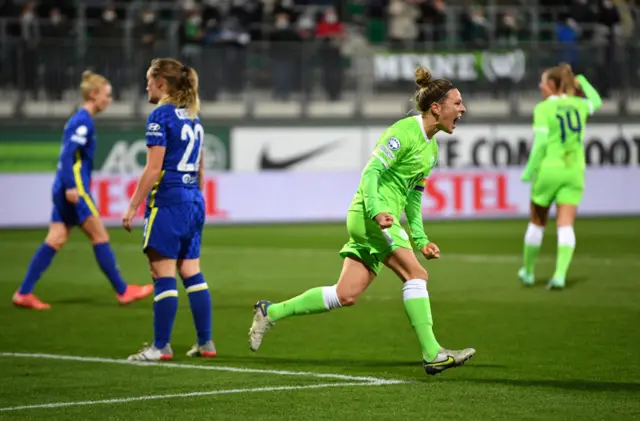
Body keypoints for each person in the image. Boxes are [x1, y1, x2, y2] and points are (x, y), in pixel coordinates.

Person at [249, 66, 475, 376]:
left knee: (345, 294)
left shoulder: (432, 148)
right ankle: (433, 353)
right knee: (416, 275)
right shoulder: (403, 133)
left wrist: (421, 239)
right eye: (457, 103)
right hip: (371, 217)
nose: (463, 109)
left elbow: (414, 197)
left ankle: (269, 312)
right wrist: (375, 211)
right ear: (436, 107)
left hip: (379, 220)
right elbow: (371, 172)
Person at [13, 71, 154, 310]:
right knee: (100, 236)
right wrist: (71, 186)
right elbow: (68, 155)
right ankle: (123, 291)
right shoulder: (83, 121)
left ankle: (24, 292)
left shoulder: (80, 119)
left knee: (55, 239)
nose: (109, 100)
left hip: (63, 187)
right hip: (74, 189)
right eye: (107, 95)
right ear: (93, 95)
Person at [124, 58, 215, 361]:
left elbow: (152, 169)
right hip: (193, 201)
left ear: (162, 82)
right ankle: (206, 343)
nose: (146, 85)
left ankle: (160, 346)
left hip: (169, 201)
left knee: (161, 272)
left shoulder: (160, 116)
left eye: (149, 79)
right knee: (191, 271)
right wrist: (194, 199)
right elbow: (201, 166)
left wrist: (132, 207)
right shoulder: (193, 115)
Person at [519, 63, 602, 290]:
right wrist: (582, 82)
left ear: (552, 85)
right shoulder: (579, 104)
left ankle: (528, 272)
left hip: (549, 170)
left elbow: (541, 144)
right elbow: (597, 101)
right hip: (574, 171)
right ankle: (560, 275)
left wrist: (529, 170)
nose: (540, 86)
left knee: (537, 221)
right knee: (566, 225)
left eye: (543, 82)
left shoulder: (544, 109)